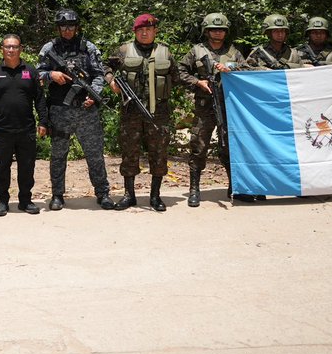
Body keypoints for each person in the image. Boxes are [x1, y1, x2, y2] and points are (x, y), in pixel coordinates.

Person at [38, 9, 114, 211]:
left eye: (71, 26)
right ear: (58, 28)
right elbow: (37, 74)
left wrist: (94, 95)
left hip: (86, 111)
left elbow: (99, 74)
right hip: (59, 111)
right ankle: (57, 195)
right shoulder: (49, 48)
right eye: (63, 26)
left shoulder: (88, 47)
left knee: (95, 154)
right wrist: (51, 75)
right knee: (58, 155)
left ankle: (103, 193)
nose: (67, 30)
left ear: (77, 27)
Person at [105, 14, 178, 212]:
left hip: (158, 113)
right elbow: (105, 66)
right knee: (129, 153)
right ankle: (129, 195)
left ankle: (155, 196)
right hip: (131, 113)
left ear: (155, 31)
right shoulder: (123, 50)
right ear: (135, 32)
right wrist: (111, 81)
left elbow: (176, 77)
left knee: (159, 154)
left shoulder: (165, 52)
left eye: (148, 29)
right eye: (140, 30)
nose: (144, 33)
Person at [178, 13, 245, 207]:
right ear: (206, 31)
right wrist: (197, 82)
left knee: (229, 147)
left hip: (228, 106)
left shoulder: (234, 52)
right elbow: (180, 71)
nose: (218, 33)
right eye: (214, 29)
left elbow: (248, 69)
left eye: (221, 29)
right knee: (198, 147)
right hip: (204, 107)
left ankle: (235, 186)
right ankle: (194, 189)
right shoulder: (197, 51)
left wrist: (231, 68)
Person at [0, 34, 48, 216]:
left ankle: (25, 200)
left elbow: (40, 99)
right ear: (2, 49)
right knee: (1, 167)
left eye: (15, 47)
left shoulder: (30, 71)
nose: (11, 50)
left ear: (21, 49)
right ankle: (2, 201)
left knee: (27, 167)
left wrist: (43, 121)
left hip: (26, 129)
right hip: (1, 130)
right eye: (7, 46)